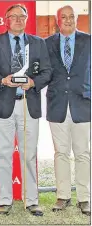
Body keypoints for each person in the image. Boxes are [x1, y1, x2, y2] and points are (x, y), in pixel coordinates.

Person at [0, 4, 52, 216]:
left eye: (21, 16)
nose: (17, 20)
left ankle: (31, 200)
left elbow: (47, 71)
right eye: (13, 16)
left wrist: (33, 83)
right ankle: (4, 200)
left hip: (28, 104)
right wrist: (3, 80)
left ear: (26, 19)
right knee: (4, 154)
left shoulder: (38, 43)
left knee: (29, 154)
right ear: (6, 19)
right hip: (4, 105)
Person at [45, 5, 91, 216]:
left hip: (83, 104)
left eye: (71, 16)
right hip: (57, 105)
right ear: (57, 20)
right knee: (60, 153)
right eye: (64, 17)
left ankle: (85, 198)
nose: (68, 20)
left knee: (83, 153)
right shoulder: (47, 44)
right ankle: (63, 196)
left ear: (76, 19)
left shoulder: (89, 41)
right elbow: (43, 72)